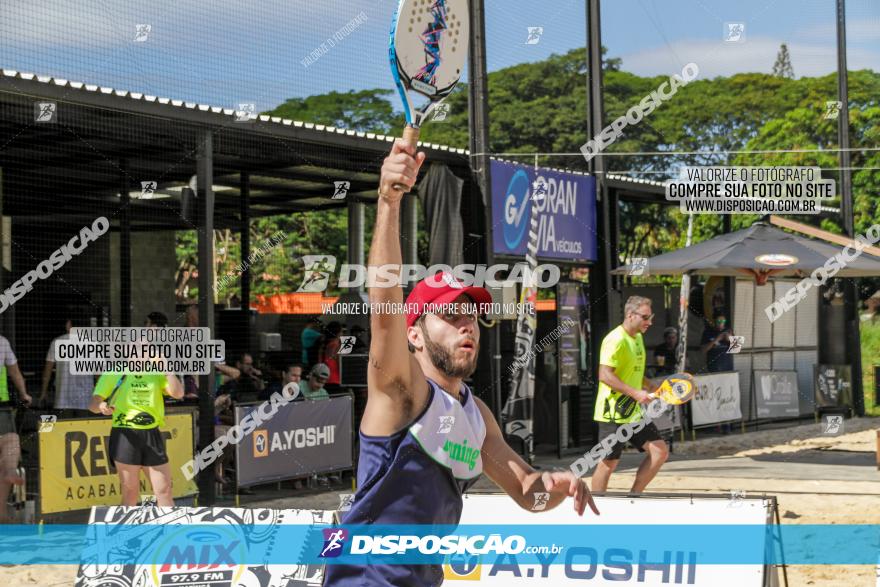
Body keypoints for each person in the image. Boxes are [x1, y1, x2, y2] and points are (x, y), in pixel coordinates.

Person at [324, 140, 598, 587]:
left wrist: (556, 488)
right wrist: (389, 201)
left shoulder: (474, 413)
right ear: (414, 333)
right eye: (450, 316)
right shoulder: (402, 390)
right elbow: (384, 303)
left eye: (470, 315)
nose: (466, 325)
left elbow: (527, 492)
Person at [590, 296, 668, 495]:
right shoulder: (615, 340)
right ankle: (596, 506)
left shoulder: (638, 337)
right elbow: (604, 374)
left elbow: (633, 372)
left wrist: (651, 385)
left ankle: (634, 496)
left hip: (633, 412)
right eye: (645, 317)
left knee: (659, 452)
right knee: (608, 463)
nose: (649, 322)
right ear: (630, 315)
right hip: (612, 413)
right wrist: (635, 393)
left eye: (651, 317)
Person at [0, 334, 31, 523]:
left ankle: (1, 512)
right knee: (10, 440)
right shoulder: (2, 342)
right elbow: (15, 373)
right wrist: (24, 394)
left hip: (2, 407)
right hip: (1, 407)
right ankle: (10, 469)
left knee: (11, 439)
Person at [40, 317, 95, 417]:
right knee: (84, 429)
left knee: (64, 429)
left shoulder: (57, 342)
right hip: (85, 397)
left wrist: (44, 391)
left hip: (63, 397)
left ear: (69, 324)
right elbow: (99, 372)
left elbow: (47, 370)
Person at [319, 321, 343, 394]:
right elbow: (341, 364)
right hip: (336, 380)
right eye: (341, 331)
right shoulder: (337, 346)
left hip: (324, 379)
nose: (342, 334)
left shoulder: (323, 346)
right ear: (338, 333)